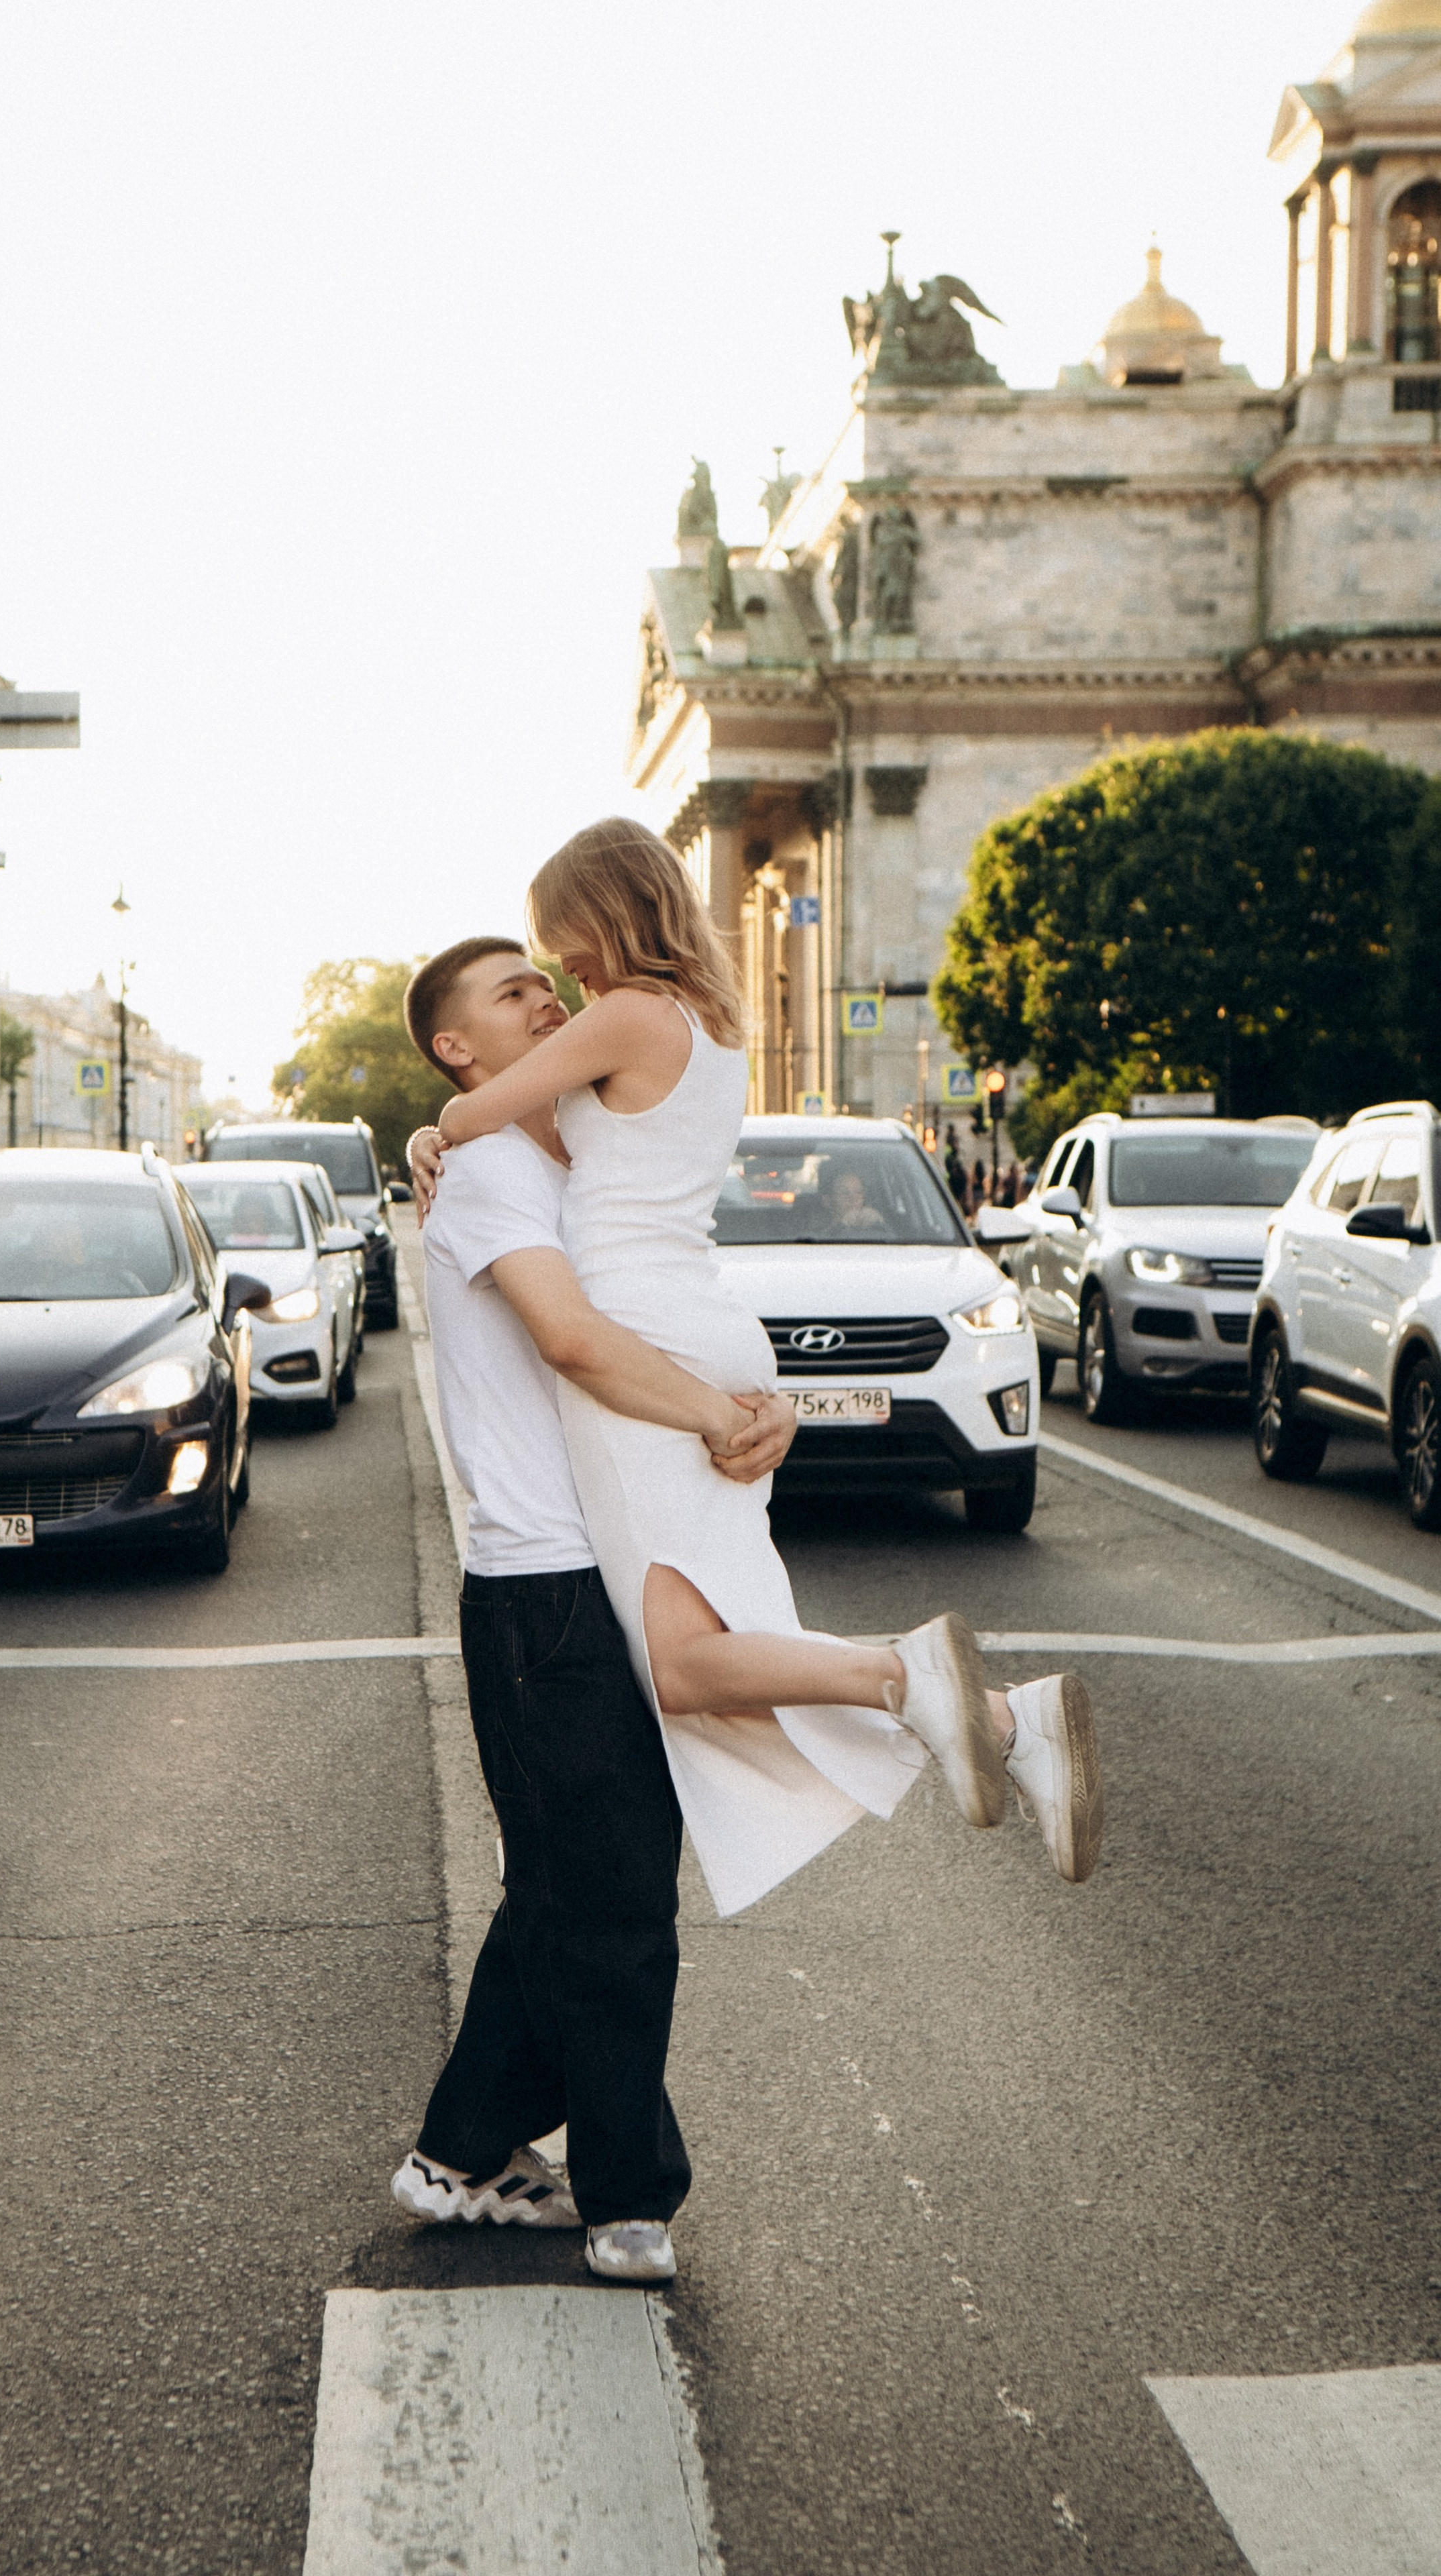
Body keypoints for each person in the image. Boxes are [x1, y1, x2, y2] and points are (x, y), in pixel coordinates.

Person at [427, 818, 1101, 1938]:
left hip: (641, 1338)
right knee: (707, 1657)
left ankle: (912, 1679)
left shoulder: (627, 1015)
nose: (565, 976)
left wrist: (434, 1134)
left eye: (566, 948)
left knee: (687, 1666)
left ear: (609, 911)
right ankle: (1004, 1723)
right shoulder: (710, 1023)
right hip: (704, 1321)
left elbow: (475, 1110)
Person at [392, 936, 798, 2287]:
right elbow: (571, 1339)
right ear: (457, 1049)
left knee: (571, 1888)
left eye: (545, 986)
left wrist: (757, 1403)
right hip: (544, 1585)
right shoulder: (495, 1171)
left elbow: (663, 1304)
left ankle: (459, 2150)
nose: (545, 999)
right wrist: (714, 1414)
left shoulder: (574, 1155)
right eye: (511, 993)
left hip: (620, 1559)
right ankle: (629, 2200)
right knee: (614, 1901)